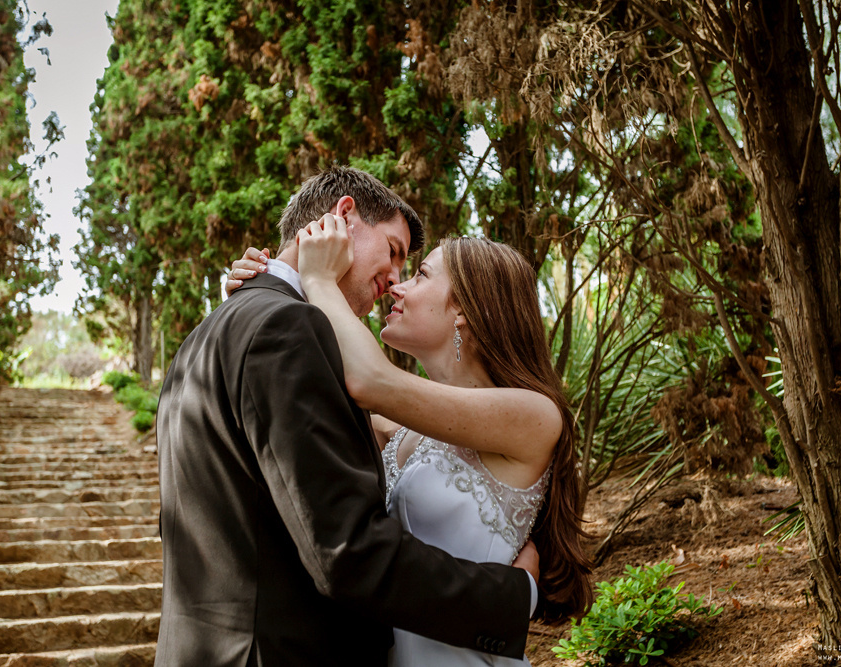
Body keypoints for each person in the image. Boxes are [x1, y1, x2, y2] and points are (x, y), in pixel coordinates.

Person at [155, 166, 540, 667]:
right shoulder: (287, 329)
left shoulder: (207, 334)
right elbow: (346, 553)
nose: (396, 279)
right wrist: (514, 597)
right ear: (344, 217)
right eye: (395, 252)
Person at [227, 216, 593, 666]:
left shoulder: (534, 415)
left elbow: (368, 379)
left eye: (421, 275)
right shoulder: (399, 427)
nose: (396, 287)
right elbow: (304, 393)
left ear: (464, 308)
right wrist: (261, 295)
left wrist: (317, 278)